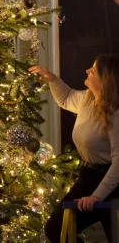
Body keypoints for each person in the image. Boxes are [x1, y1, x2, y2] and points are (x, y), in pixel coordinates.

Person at [29, 54, 119, 243]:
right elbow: (66, 98)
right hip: (88, 177)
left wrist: (96, 197)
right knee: (55, 230)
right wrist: (51, 78)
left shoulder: (115, 114)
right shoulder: (87, 100)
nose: (87, 71)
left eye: (93, 70)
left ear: (105, 80)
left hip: (112, 183)